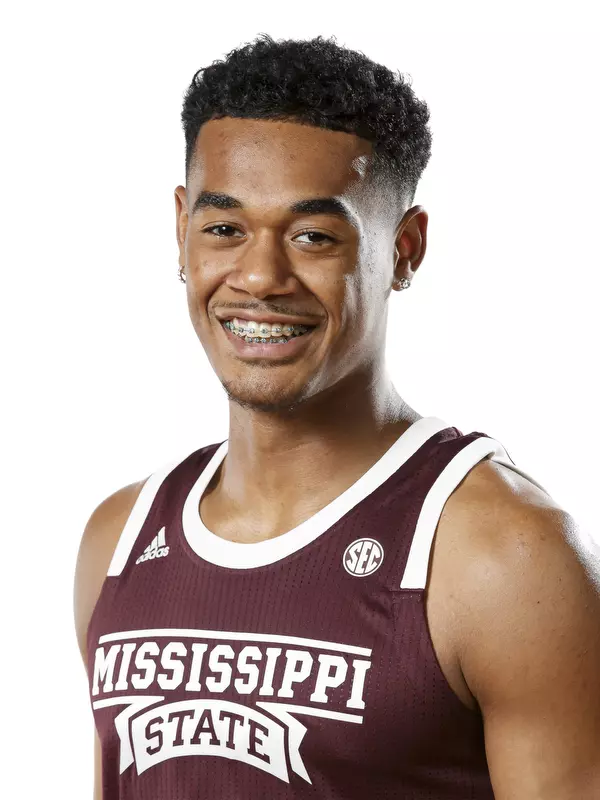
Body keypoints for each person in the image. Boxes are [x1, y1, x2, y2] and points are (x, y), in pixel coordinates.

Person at [73, 33, 600, 799]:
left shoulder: (502, 557)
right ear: (181, 228)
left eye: (314, 236)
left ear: (406, 249)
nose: (259, 275)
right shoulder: (117, 540)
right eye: (225, 229)